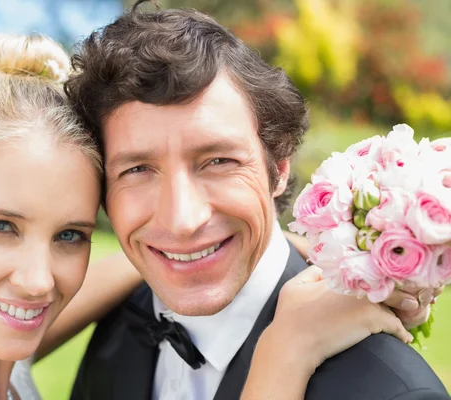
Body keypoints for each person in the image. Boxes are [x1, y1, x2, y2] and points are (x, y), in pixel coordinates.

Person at [0, 33, 438, 400]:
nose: (38, 280)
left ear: (278, 169)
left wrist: (311, 245)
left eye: (71, 234)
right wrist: (284, 355)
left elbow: (151, 254)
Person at [63, 3, 449, 400]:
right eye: (138, 170)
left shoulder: (394, 392)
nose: (182, 220)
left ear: (278, 169)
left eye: (218, 161)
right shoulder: (118, 320)